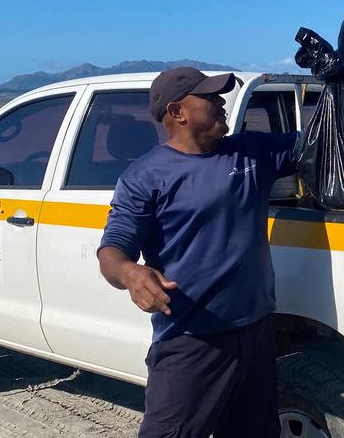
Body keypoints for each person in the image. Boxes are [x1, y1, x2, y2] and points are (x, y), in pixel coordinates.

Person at [97, 67, 299, 438]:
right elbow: (112, 249)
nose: (221, 102)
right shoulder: (145, 177)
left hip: (256, 331)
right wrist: (130, 273)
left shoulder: (252, 152)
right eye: (209, 97)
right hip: (191, 340)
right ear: (178, 112)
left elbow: (323, 144)